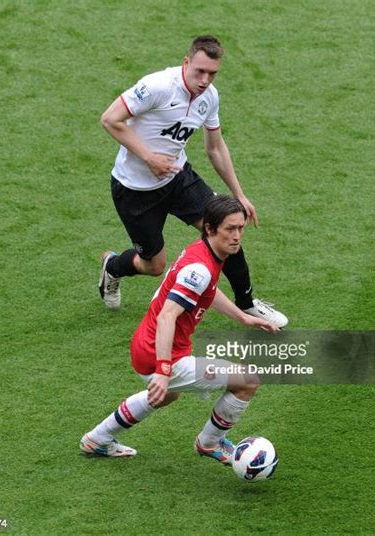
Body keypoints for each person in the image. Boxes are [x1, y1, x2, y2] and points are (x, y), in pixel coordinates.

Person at [98, 34, 288, 328]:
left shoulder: (209, 97)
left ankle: (247, 303)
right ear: (186, 62)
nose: (205, 79)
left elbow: (215, 147)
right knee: (153, 265)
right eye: (199, 71)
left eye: (212, 73)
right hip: (135, 190)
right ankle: (112, 267)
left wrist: (240, 195)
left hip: (178, 179)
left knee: (227, 226)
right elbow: (110, 119)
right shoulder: (157, 87)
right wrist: (149, 157)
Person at [80, 195, 279, 462]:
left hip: (146, 343)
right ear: (210, 228)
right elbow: (167, 317)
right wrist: (163, 371)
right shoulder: (200, 269)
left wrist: (243, 318)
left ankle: (97, 439)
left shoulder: (203, 251)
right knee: (247, 382)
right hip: (163, 355)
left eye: (240, 228)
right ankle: (210, 443)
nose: (237, 236)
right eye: (230, 229)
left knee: (166, 395)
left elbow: (207, 291)